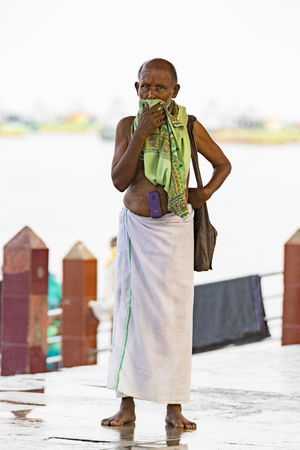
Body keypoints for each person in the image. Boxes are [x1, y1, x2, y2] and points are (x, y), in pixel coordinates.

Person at [101, 58, 231, 430]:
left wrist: (201, 194)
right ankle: (126, 405)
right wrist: (140, 134)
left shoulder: (189, 126)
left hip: (174, 229)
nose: (152, 93)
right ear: (136, 88)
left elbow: (223, 164)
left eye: (160, 87)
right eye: (145, 86)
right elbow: (119, 180)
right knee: (130, 314)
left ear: (175, 91)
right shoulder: (127, 126)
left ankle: (174, 408)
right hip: (136, 230)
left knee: (173, 318)